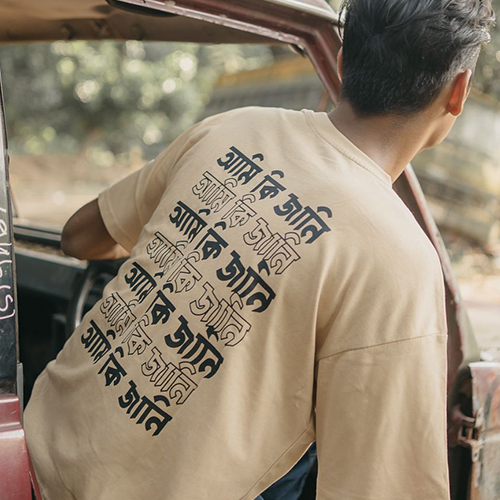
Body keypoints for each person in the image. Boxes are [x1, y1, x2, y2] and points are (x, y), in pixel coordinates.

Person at [24, 0, 494, 499]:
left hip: (34, 452)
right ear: (458, 91)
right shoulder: (398, 258)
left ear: (342, 61)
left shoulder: (232, 128)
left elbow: (79, 237)